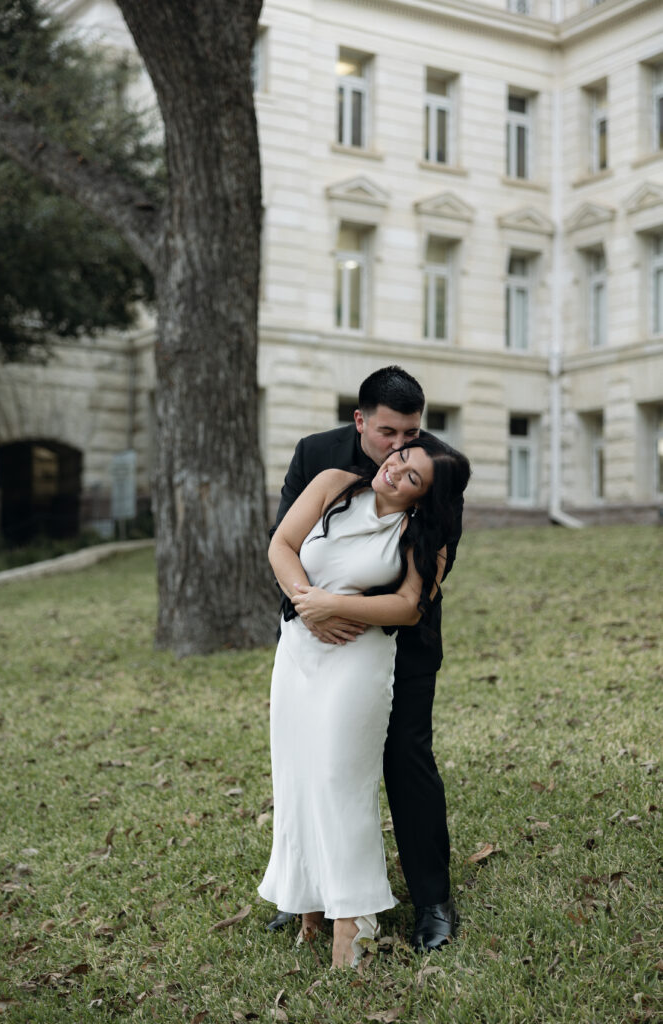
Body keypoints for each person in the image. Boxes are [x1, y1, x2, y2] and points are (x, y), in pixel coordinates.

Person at [262, 366, 467, 953]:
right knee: (305, 767)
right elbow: (285, 538)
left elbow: (424, 572)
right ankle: (307, 893)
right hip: (311, 636)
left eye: (412, 434)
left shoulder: (433, 467)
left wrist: (351, 606)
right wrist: (311, 608)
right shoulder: (319, 458)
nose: (402, 448)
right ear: (360, 422)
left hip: (399, 643)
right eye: (389, 434)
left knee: (406, 758)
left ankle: (431, 899)